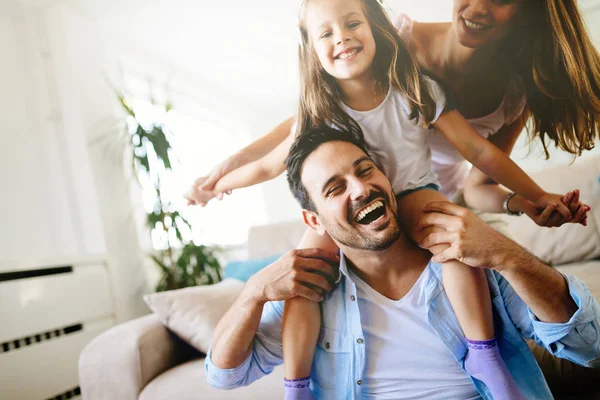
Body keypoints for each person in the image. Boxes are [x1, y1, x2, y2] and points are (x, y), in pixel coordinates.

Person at [187, 0, 591, 399]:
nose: (341, 38)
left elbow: (481, 153)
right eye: (325, 33)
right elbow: (266, 167)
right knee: (302, 280)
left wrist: (535, 196)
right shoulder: (321, 109)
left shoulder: (415, 87)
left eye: (351, 24)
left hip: (415, 192)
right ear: (312, 50)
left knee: (452, 243)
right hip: (360, 215)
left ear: (376, 28)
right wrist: (219, 184)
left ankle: (483, 353)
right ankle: (297, 387)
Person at [206, 126, 600, 399]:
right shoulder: (310, 291)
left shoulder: (468, 258)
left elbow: (587, 344)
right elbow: (225, 375)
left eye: (365, 171)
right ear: (314, 220)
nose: (361, 189)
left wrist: (505, 254)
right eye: (335, 188)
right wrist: (252, 294)